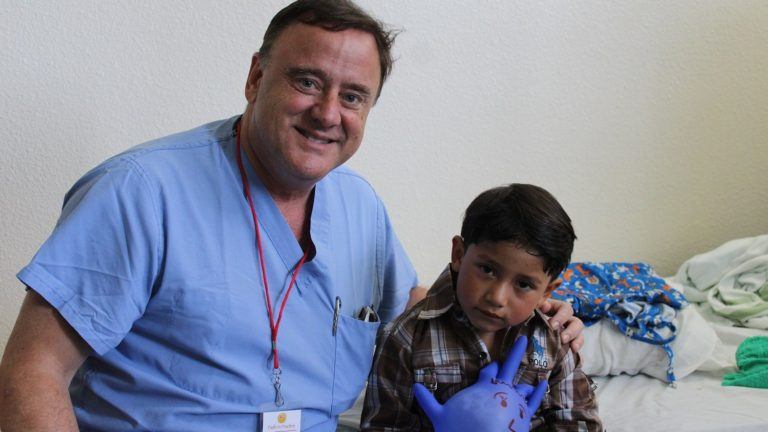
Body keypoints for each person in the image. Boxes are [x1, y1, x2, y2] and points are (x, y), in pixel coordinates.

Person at [0, 1, 584, 431]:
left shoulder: (359, 207)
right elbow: (33, 372)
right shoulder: (140, 192)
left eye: (353, 96)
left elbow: (410, 313)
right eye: (307, 82)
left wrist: (526, 319)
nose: (328, 113)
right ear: (256, 77)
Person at [361, 184, 602, 431]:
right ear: (459, 254)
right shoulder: (406, 338)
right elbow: (384, 426)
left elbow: (578, 421)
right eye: (487, 270)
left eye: (523, 284)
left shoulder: (552, 339)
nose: (497, 297)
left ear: (547, 291)